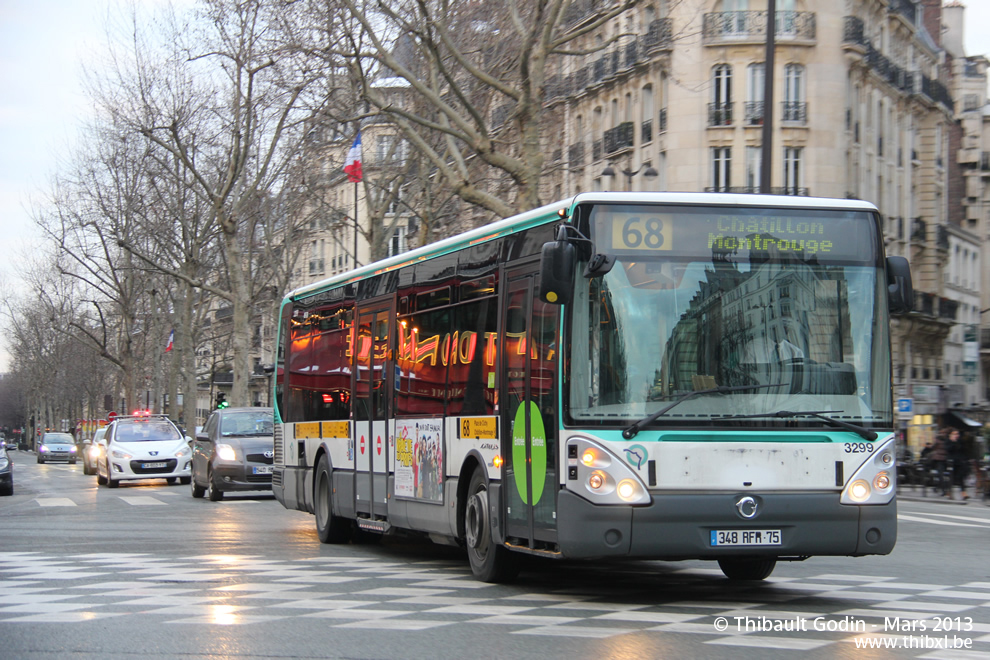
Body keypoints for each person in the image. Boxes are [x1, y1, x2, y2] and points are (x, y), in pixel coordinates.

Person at [946, 429, 970, 500]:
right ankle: (949, 492)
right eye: (954, 434)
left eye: (957, 434)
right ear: (950, 434)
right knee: (952, 478)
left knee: (961, 478)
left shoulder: (960, 441)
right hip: (951, 462)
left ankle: (963, 493)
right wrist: (953, 442)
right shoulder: (948, 441)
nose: (956, 435)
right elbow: (948, 449)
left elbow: (963, 450)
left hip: (960, 462)